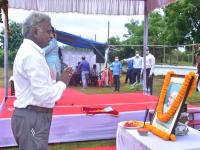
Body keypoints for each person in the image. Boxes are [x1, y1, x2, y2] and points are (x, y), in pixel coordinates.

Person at [11, 12, 73, 150]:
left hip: (32, 116)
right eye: (48, 31)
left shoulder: (31, 52)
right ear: (35, 31)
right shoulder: (32, 55)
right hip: (33, 117)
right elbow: (43, 95)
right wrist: (62, 82)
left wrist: (55, 81)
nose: (51, 36)